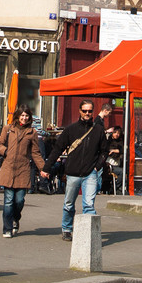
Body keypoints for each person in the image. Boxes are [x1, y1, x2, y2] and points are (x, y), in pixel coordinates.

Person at [49, 100, 107, 242]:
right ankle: (67, 229)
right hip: (73, 172)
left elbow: (104, 151)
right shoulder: (71, 129)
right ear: (80, 111)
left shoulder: (98, 130)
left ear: (93, 112)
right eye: (84, 111)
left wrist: (97, 167)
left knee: (89, 205)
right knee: (69, 204)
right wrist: (47, 167)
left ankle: (89, 233)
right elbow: (58, 148)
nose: (87, 113)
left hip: (90, 172)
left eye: (90, 111)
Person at [0, 107, 47, 237]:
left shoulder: (32, 132)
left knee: (19, 200)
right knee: (8, 200)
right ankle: (7, 229)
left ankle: (15, 218)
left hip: (23, 169)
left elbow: (35, 153)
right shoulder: (8, 129)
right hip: (8, 168)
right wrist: (5, 151)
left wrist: (43, 168)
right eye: (22, 115)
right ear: (18, 116)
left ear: (30, 117)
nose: (24, 118)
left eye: (26, 116)